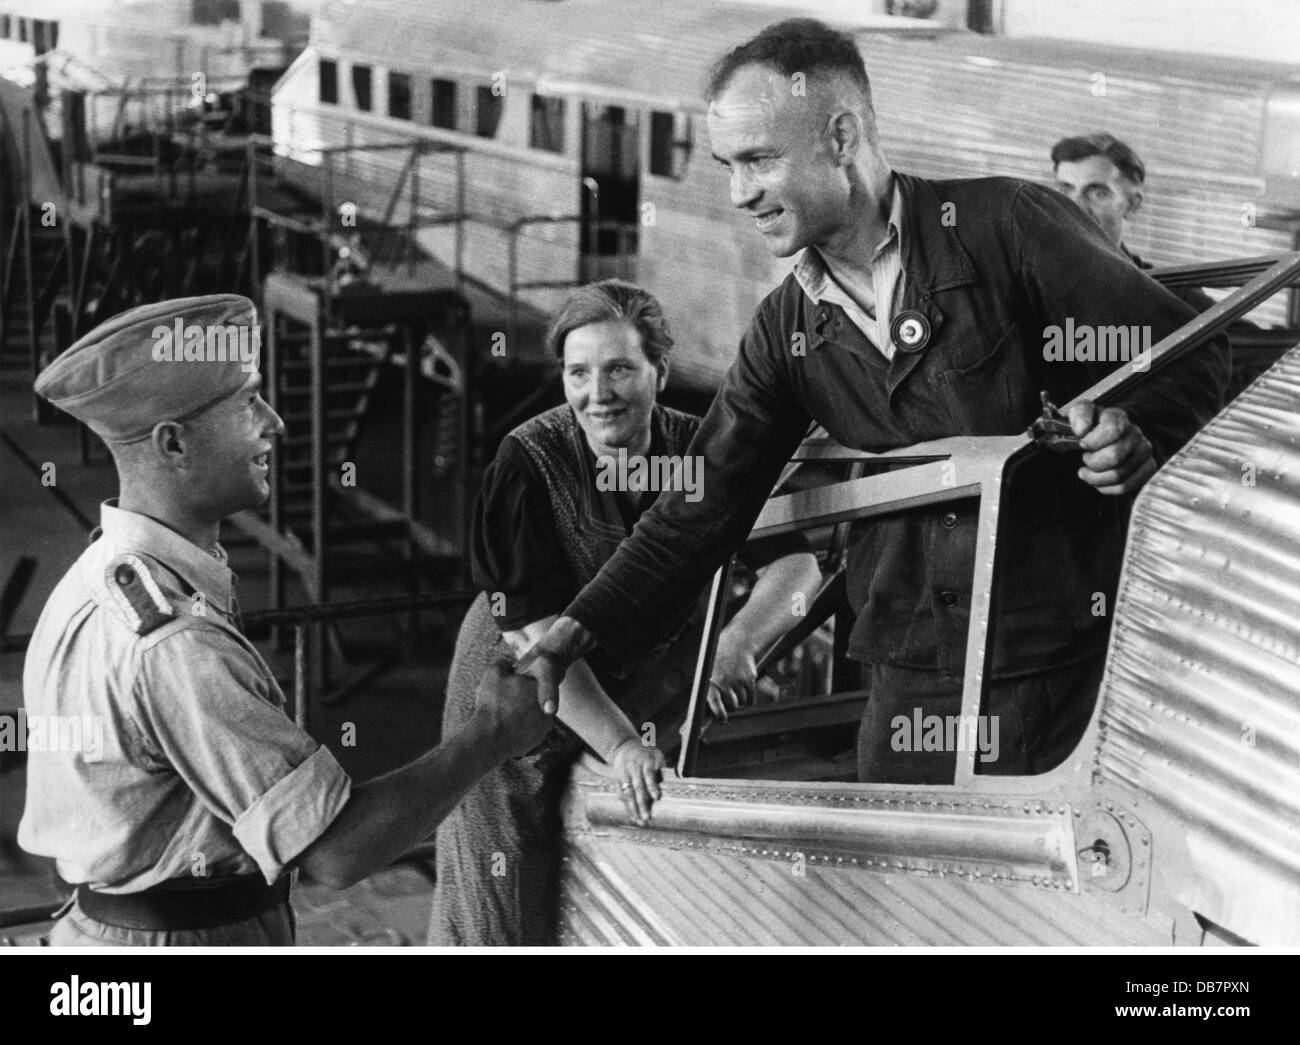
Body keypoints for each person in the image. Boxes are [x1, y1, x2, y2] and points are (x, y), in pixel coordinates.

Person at [516, 19, 1227, 786]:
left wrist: (1139, 430)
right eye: (728, 165)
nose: (738, 193)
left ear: (841, 137)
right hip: (903, 677)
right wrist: (577, 629)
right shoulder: (787, 328)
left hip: (1044, 669)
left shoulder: (1008, 227)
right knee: (901, 904)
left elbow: (1189, 350)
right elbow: (698, 507)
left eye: (758, 160)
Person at [19, 294, 552, 946]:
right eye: (247, 402)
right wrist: (491, 732)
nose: (274, 422)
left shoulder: (96, 575)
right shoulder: (174, 644)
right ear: (174, 442)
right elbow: (337, 849)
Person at [428, 280, 821, 945]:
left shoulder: (699, 456)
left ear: (660, 372)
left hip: (632, 696)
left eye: (619, 369)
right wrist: (618, 743)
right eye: (578, 373)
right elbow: (535, 633)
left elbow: (800, 568)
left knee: (603, 897)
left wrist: (739, 644)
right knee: (503, 901)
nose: (597, 392)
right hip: (515, 702)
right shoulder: (528, 462)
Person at [1050, 132, 1217, 312]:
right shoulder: (1028, 273)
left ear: (1132, 204)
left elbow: (1243, 337)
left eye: (1097, 193)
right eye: (1065, 190)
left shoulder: (1168, 291)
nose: (1075, 206)